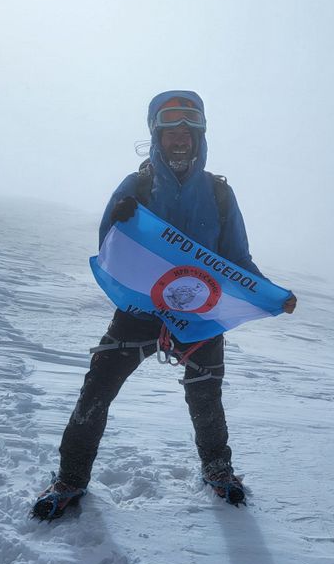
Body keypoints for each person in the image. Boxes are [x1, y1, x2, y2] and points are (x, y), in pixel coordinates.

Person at [32, 91, 297, 520]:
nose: (180, 138)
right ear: (156, 135)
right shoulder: (136, 187)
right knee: (97, 389)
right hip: (139, 313)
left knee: (205, 396)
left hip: (200, 317)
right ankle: (70, 478)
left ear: (200, 136)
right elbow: (110, 251)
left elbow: (236, 257)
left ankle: (218, 469)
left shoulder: (220, 194)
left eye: (188, 130)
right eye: (171, 130)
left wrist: (269, 294)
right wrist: (119, 224)